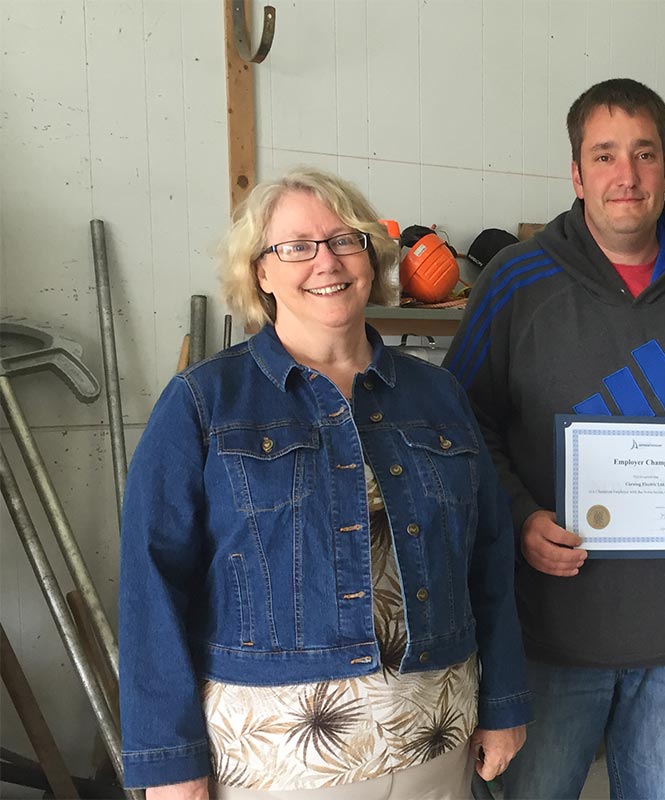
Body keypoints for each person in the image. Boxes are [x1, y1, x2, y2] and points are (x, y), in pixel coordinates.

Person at [117, 167, 530, 800]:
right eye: (296, 246)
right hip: (277, 760)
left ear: (371, 256)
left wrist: (504, 702)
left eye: (345, 240)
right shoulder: (203, 403)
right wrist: (169, 761)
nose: (326, 262)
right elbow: (152, 583)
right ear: (261, 271)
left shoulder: (438, 395)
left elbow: (489, 558)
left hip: (435, 739)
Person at [443, 78, 665, 799]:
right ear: (576, 173)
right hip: (549, 636)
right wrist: (520, 516)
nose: (626, 175)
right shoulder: (514, 284)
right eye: (604, 156)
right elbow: (463, 430)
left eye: (643, 153)